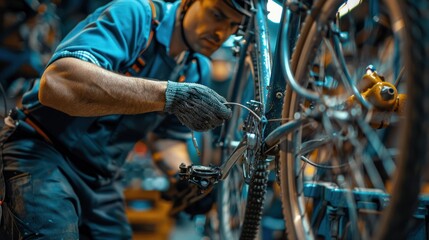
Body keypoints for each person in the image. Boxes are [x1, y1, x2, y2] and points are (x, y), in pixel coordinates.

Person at [0, 0, 251, 238]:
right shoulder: (136, 17)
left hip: (102, 180)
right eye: (217, 14)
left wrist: (185, 178)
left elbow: (166, 142)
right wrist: (168, 95)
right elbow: (56, 84)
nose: (221, 33)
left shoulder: (196, 68)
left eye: (233, 26)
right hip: (42, 152)